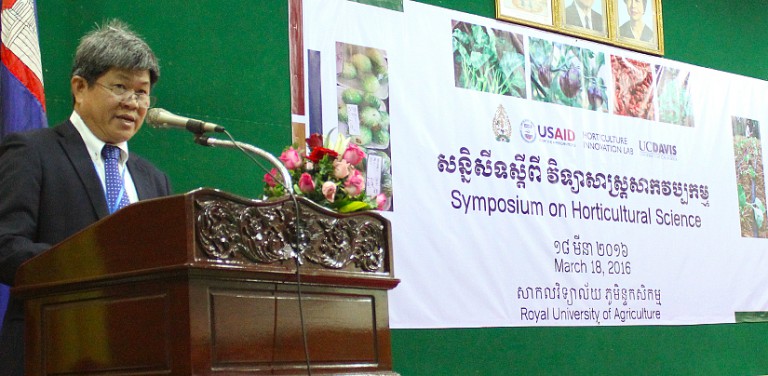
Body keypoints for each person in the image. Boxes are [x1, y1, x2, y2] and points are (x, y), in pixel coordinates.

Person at [0, 19, 172, 375]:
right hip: (49, 349)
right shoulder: (32, 153)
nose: (133, 102)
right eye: (120, 86)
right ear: (80, 87)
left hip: (138, 357)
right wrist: (96, 265)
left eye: (141, 92)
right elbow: (6, 245)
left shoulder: (154, 179)